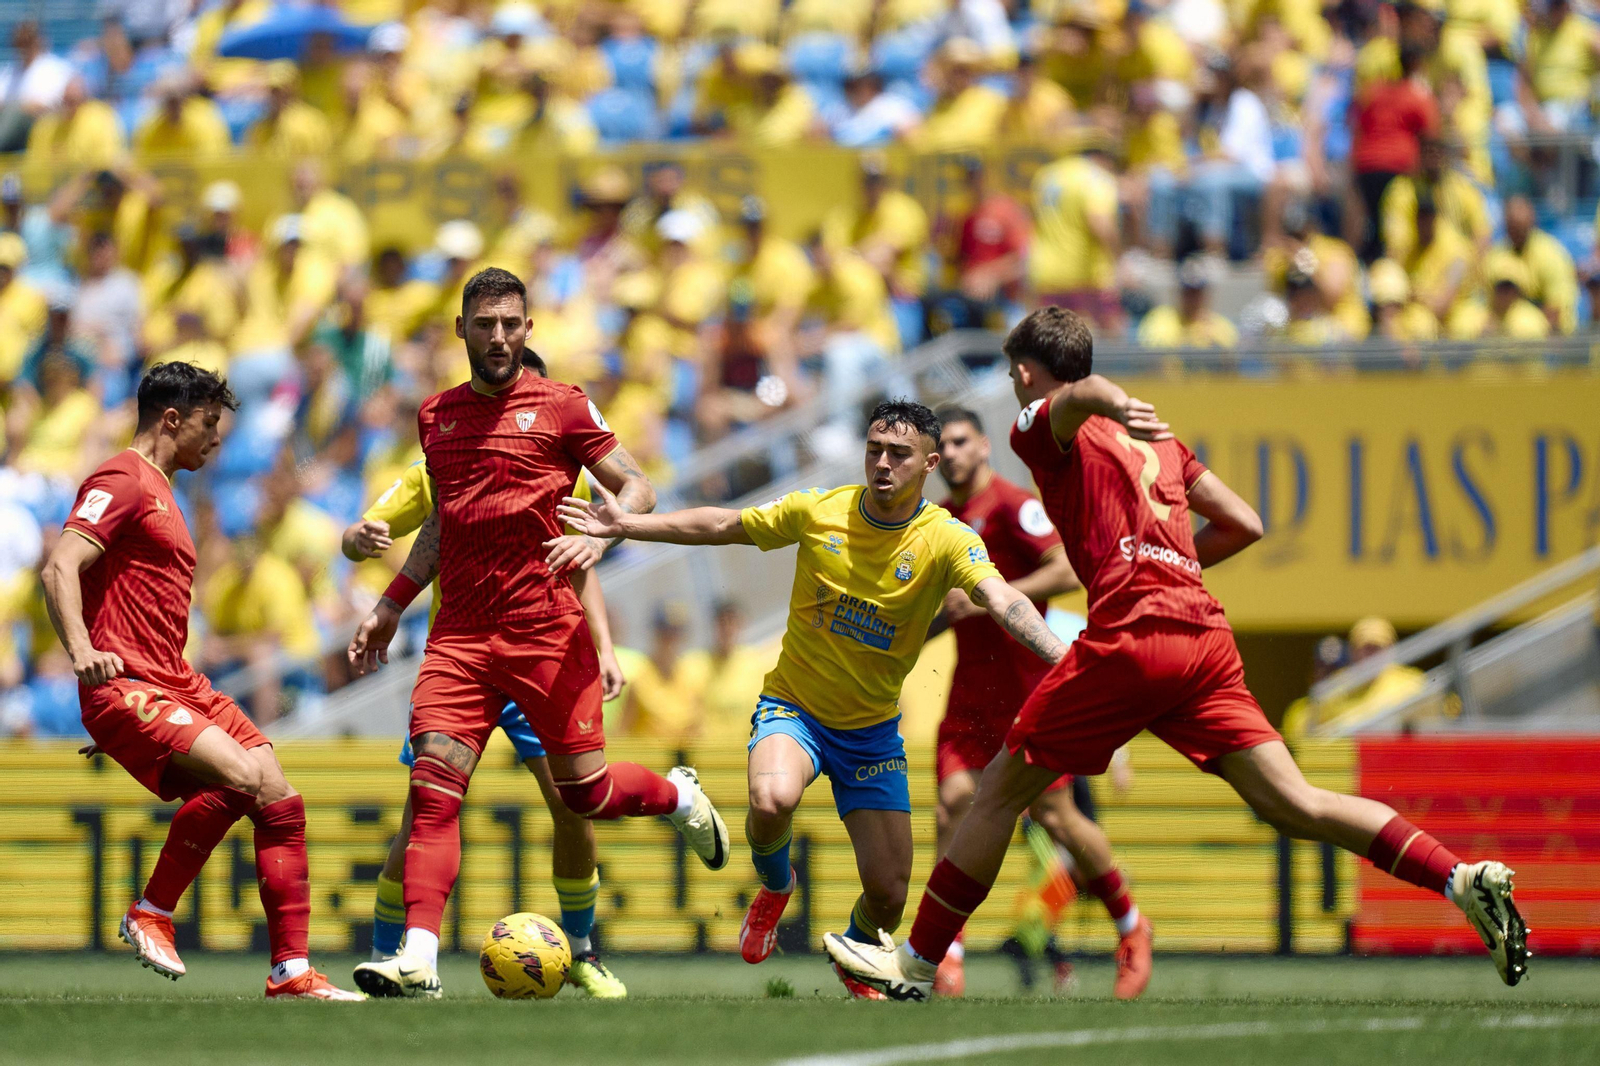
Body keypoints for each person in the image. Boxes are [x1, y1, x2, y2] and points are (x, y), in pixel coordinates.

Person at [824, 307, 1528, 999]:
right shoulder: (1165, 445)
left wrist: (1116, 404)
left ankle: (914, 966)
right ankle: (1459, 879)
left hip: (1133, 636)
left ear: (1024, 371)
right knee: (1294, 802)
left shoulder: (1040, 424)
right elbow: (1244, 523)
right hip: (1204, 640)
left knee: (996, 795)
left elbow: (1082, 398)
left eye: (1016, 376)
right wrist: (1171, 559)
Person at [557, 399, 1070, 997]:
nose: (882, 463)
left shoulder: (947, 538)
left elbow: (1002, 599)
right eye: (874, 449)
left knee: (888, 896)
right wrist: (626, 525)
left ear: (929, 463)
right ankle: (777, 887)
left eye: (898, 454)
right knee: (771, 798)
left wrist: (1066, 659)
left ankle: (854, 949)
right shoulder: (818, 509)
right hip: (794, 709)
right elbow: (724, 525)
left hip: (873, 732)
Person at [346, 268, 729, 999]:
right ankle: (418, 956)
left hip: (547, 636)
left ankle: (678, 798)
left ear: (528, 330)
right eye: (484, 324)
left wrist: (610, 533)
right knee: (433, 787)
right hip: (459, 638)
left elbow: (636, 485)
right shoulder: (437, 417)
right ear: (461, 330)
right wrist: (392, 603)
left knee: (582, 799)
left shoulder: (562, 406)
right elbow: (440, 525)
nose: (498, 337)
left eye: (510, 325)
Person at [38, 362, 361, 1000]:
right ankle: (151, 911)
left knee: (277, 796)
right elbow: (59, 567)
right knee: (240, 776)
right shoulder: (122, 479)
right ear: (172, 419)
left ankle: (291, 971)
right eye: (210, 424)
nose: (218, 440)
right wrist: (84, 657)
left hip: (173, 682)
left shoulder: (165, 489)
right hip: (131, 681)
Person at [341, 384, 630, 999]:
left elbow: (576, 567)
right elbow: (371, 531)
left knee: (573, 806)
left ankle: (581, 951)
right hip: (466, 659)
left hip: (538, 659)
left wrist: (604, 647)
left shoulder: (559, 469)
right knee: (424, 811)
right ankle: (386, 953)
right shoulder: (444, 457)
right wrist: (358, 541)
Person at [927, 406, 1151, 1000]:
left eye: (959, 441)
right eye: (940, 445)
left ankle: (1131, 925)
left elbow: (1066, 571)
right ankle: (947, 954)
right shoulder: (940, 520)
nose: (948, 453)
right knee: (951, 806)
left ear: (981, 447)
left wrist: (991, 598)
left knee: (1057, 818)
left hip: (1027, 695)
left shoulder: (1011, 504)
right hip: (970, 697)